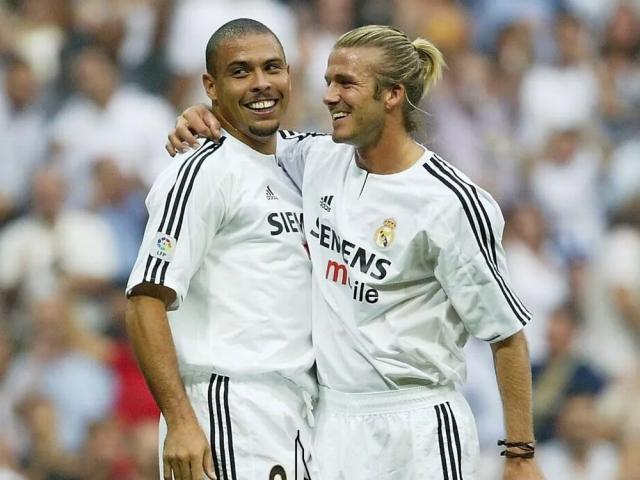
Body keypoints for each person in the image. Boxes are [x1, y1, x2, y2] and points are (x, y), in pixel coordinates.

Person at [167, 24, 544, 480]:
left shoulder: (451, 202)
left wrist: (520, 456)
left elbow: (505, 335)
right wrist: (201, 115)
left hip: (417, 426)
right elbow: (247, 136)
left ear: (392, 95)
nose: (329, 96)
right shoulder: (316, 159)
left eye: (345, 83)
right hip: (330, 425)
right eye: (328, 82)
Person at [126, 19, 315, 480]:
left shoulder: (304, 162)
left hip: (296, 408)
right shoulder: (202, 170)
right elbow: (145, 300)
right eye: (241, 71)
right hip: (230, 407)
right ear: (210, 86)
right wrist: (181, 422)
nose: (261, 83)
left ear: (289, 74)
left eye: (272, 68)